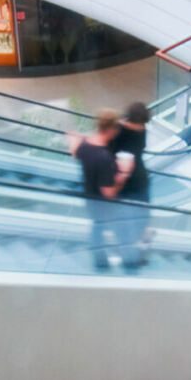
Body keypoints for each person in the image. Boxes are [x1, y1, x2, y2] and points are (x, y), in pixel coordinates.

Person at [68, 110, 127, 271]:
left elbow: (74, 152)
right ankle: (105, 261)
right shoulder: (104, 158)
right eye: (116, 129)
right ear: (110, 130)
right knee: (117, 224)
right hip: (103, 203)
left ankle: (102, 257)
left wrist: (74, 138)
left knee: (98, 227)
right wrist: (122, 176)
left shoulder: (85, 145)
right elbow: (108, 192)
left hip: (89, 196)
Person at [107, 100, 152, 268]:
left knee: (138, 220)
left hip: (138, 182)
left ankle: (131, 252)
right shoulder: (117, 131)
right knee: (127, 221)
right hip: (125, 184)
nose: (141, 128)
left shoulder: (140, 130)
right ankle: (127, 255)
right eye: (139, 124)